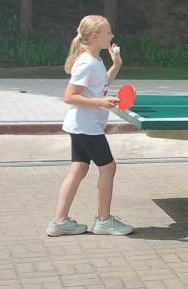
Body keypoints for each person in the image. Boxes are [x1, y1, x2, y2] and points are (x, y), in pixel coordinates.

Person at [47, 15, 135, 237]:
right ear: (95, 36)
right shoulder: (86, 62)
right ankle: (104, 221)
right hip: (87, 127)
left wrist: (116, 64)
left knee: (78, 169)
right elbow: (69, 96)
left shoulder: (95, 60)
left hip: (81, 126)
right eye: (108, 32)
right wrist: (100, 103)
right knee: (109, 168)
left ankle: (59, 222)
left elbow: (100, 84)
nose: (112, 35)